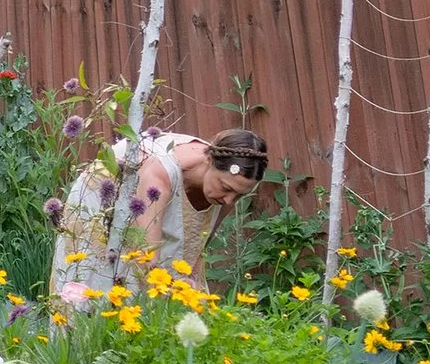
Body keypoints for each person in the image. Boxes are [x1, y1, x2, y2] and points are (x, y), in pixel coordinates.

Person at [47, 128, 268, 300]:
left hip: (155, 199)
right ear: (209, 161)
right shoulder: (160, 172)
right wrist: (176, 289)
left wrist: (193, 289)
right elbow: (145, 257)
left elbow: (197, 249)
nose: (229, 201)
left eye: (239, 196)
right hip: (102, 201)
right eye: (226, 188)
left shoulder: (228, 184)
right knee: (103, 283)